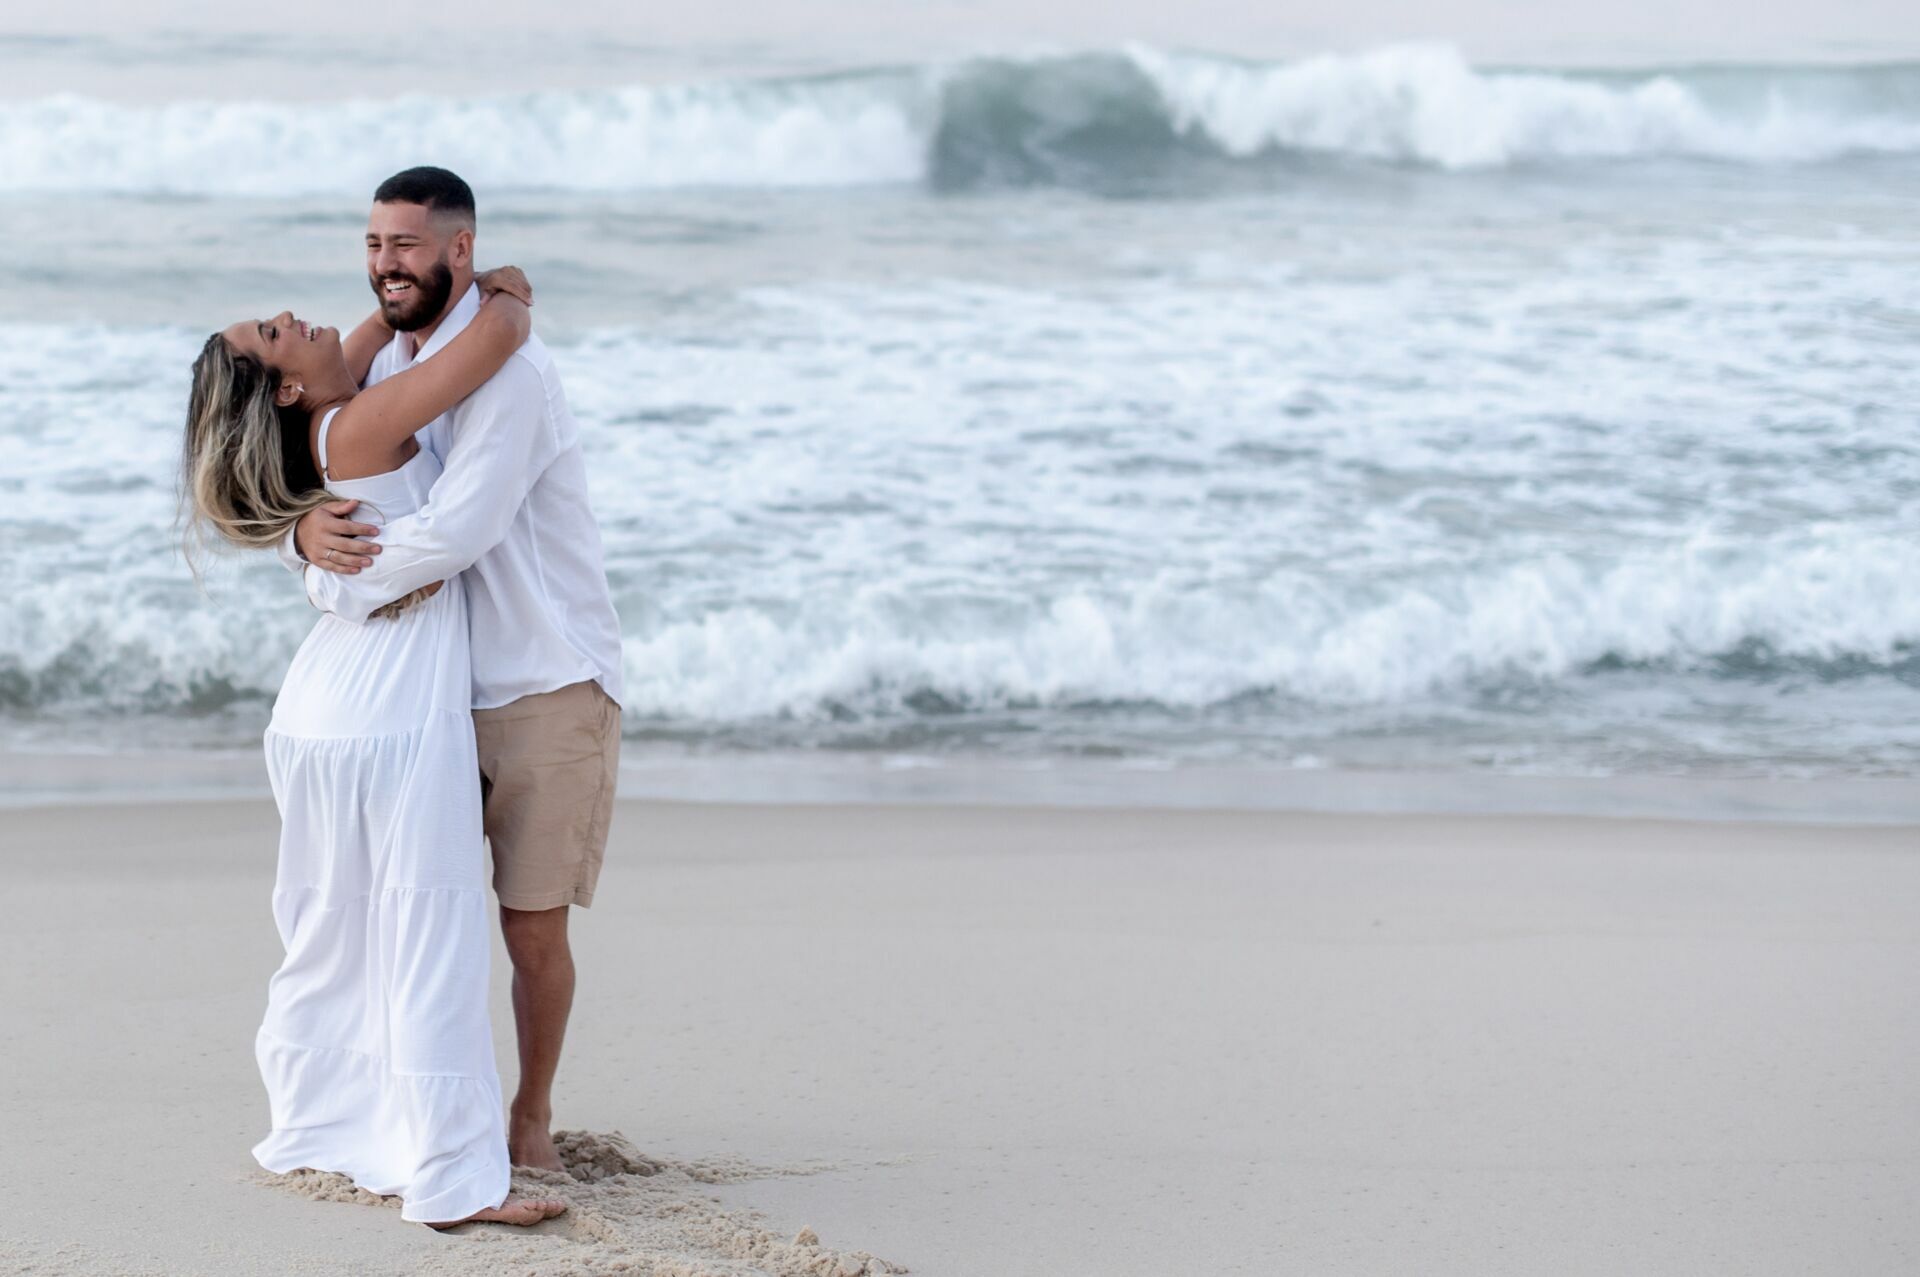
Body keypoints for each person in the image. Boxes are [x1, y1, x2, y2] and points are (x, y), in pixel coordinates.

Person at [181, 274, 566, 1227]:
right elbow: (484, 346)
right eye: (275, 331)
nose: (297, 316)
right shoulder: (356, 427)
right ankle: (451, 1179)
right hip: (388, 708)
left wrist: (310, 554)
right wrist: (502, 297)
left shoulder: (323, 426)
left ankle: (322, 1122)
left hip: (326, 710)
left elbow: (372, 335)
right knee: (428, 933)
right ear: (281, 388)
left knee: (338, 932)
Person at [282, 167, 626, 1173]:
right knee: (416, 917)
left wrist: (331, 582)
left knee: (528, 931)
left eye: (407, 246)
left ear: (459, 251)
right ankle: (414, 1113)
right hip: (430, 688)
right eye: (375, 244)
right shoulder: (386, 358)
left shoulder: (512, 371)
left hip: (543, 680)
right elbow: (317, 477)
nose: (386, 264)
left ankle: (528, 1117)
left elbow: (460, 529)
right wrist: (305, 540)